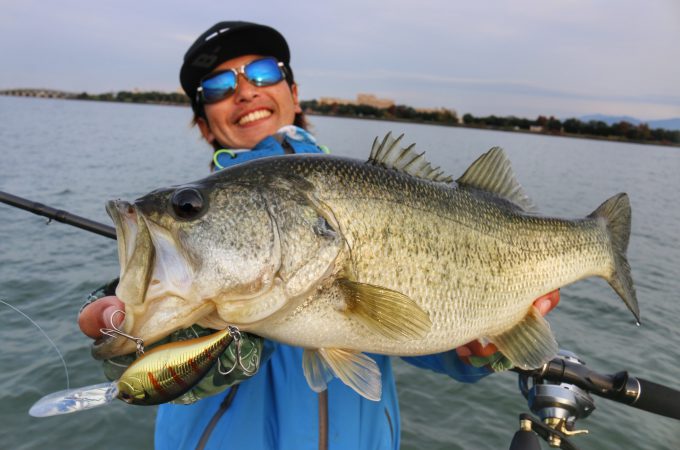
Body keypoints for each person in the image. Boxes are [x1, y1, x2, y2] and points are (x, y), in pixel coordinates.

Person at [78, 21, 560, 450]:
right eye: (219, 86)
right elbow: (144, 344)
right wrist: (142, 340)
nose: (244, 91)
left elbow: (421, 334)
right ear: (204, 124)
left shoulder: (358, 186)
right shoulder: (200, 245)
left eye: (262, 72)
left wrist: (476, 351)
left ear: (293, 92)